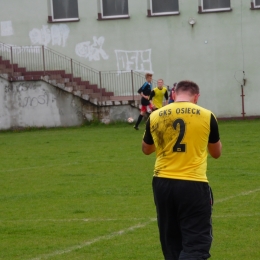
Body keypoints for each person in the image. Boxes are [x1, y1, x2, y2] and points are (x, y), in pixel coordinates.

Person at [142, 80, 222, 260]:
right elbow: (216, 153)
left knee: (171, 242)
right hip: (193, 183)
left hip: (162, 183)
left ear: (173, 94)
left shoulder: (156, 116)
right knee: (196, 244)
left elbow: (146, 149)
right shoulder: (207, 115)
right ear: (196, 97)